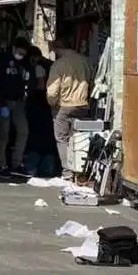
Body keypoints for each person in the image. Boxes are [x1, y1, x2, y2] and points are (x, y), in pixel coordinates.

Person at [47, 38, 92, 179]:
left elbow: (52, 91)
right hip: (83, 105)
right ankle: (81, 171)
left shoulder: (59, 64)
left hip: (65, 106)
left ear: (58, 49)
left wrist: (51, 103)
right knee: (80, 138)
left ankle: (67, 172)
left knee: (62, 138)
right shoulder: (86, 61)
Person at [0, 37, 31, 177]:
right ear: (14, 48)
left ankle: (17, 163)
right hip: (3, 102)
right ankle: (1, 164)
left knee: (23, 131)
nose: (21, 55)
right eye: (20, 52)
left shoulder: (23, 63)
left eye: (24, 54)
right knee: (4, 134)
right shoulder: (1, 60)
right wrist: (0, 103)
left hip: (18, 102)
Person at [24, 46, 57, 176]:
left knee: (35, 136)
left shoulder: (38, 66)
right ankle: (48, 167)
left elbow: (40, 85)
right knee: (48, 136)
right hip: (48, 104)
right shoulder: (51, 65)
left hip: (38, 102)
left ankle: (33, 166)